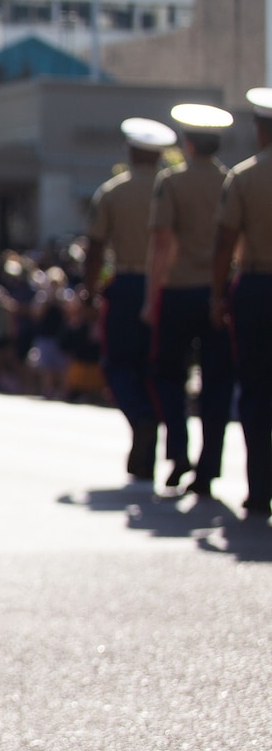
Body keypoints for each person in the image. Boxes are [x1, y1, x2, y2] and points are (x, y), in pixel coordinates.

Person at [146, 104, 234, 499]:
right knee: (217, 381)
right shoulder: (231, 179)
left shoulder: (173, 182)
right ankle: (209, 467)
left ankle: (179, 452)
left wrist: (152, 297)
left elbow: (162, 243)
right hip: (220, 289)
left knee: (169, 376)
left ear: (187, 143)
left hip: (180, 288)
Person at [84, 117, 173, 486]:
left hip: (128, 282)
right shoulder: (172, 189)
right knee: (154, 366)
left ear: (131, 151)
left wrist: (90, 290)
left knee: (118, 364)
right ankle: (156, 437)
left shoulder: (113, 191)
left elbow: (94, 246)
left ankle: (141, 417)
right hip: (168, 286)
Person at [211, 87, 272, 527]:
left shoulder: (244, 177)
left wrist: (217, 293)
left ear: (259, 130)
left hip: (255, 284)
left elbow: (224, 244)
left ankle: (259, 488)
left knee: (254, 388)